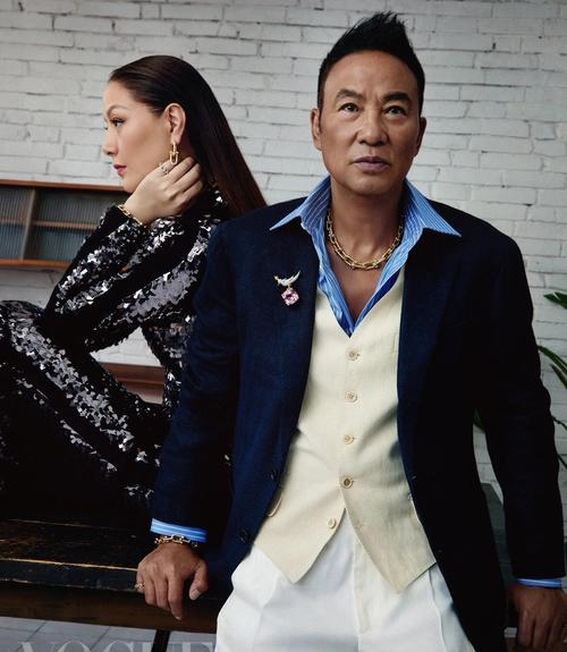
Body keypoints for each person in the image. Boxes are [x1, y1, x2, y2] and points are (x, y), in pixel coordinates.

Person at [137, 14, 567, 652]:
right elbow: (204, 398)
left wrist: (539, 572)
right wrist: (176, 534)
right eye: (350, 107)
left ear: (418, 132)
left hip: (421, 570)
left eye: (395, 109)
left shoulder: (482, 260)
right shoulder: (248, 249)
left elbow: (519, 422)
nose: (372, 130)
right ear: (318, 127)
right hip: (278, 564)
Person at [0, 55, 265, 520]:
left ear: (173, 122)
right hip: (199, 457)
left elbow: (61, 327)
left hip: (195, 479)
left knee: (8, 325)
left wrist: (131, 214)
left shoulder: (197, 237)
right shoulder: (215, 221)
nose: (108, 145)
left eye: (118, 122)